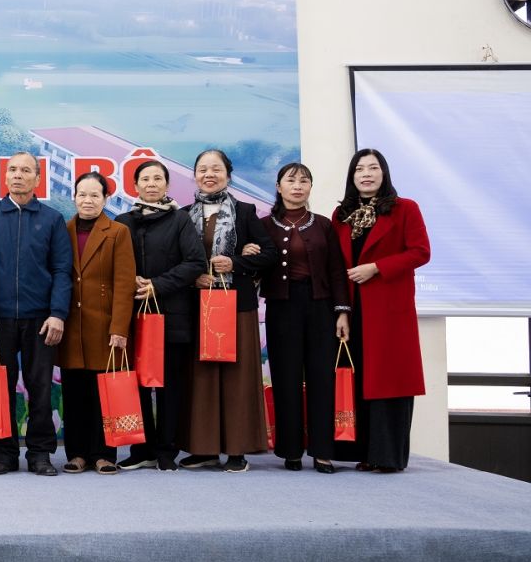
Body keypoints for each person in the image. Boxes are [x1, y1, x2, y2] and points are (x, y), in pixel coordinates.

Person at [332, 149, 431, 473]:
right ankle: (364, 453)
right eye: (359, 169)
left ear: (384, 173)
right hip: (354, 309)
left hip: (389, 310)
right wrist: (342, 312)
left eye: (373, 168)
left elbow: (420, 252)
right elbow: (336, 266)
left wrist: (376, 267)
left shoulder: (405, 208)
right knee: (359, 380)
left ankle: (388, 457)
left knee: (390, 383)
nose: (366, 174)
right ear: (352, 176)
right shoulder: (341, 214)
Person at [0, 151, 71, 477]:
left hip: (41, 318)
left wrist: (57, 313)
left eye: (26, 170)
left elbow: (61, 270)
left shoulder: (52, 219)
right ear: (5, 176)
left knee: (40, 387)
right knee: (0, 388)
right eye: (13, 169)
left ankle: (40, 453)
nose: (18, 175)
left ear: (38, 178)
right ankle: (4, 452)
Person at [181, 149, 275, 472]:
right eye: (203, 169)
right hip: (199, 306)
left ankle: (237, 451)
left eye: (216, 169)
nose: (209, 175)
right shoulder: (184, 215)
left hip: (236, 307)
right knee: (202, 378)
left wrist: (236, 262)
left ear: (228, 175)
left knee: (237, 378)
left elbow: (269, 254)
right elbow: (175, 259)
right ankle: (204, 449)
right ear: (195, 175)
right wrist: (194, 277)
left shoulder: (246, 212)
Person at [115, 158, 206, 471]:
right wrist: (132, 281)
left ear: (167, 185)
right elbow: (113, 265)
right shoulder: (123, 221)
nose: (151, 184)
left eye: (157, 178)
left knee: (169, 385)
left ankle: (167, 450)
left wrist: (157, 285)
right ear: (135, 185)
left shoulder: (180, 220)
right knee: (137, 384)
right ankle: (142, 449)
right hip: (132, 315)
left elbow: (195, 262)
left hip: (172, 315)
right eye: (145, 179)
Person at [260, 163, 350, 473]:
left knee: (321, 378)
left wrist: (342, 312)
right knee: (285, 378)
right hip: (282, 307)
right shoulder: (264, 225)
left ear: (310, 187)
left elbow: (336, 271)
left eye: (304, 181)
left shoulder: (323, 225)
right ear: (279, 187)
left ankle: (323, 451)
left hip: (320, 306)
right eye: (291, 180)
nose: (297, 186)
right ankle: (291, 451)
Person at [59, 172, 138, 474]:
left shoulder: (118, 232)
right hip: (71, 325)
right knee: (74, 392)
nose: (87, 200)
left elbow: (124, 283)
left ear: (105, 199)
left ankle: (104, 453)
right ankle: (77, 453)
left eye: (95, 195)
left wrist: (119, 328)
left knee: (104, 392)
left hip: (104, 326)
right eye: (82, 194)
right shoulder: (63, 230)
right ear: (74, 197)